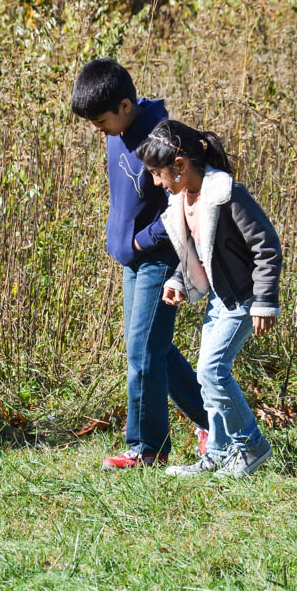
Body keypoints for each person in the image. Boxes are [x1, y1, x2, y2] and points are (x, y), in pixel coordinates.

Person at [71, 59, 208, 469]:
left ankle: (147, 447)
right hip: (132, 259)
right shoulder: (117, 132)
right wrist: (122, 242)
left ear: (126, 105)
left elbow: (180, 201)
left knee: (142, 350)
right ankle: (214, 421)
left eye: (101, 120)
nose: (98, 129)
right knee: (155, 350)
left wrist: (140, 240)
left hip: (159, 257)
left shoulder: (157, 138)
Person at [135, 119, 282, 477]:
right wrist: (179, 282)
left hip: (244, 299)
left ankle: (250, 446)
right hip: (220, 299)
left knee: (212, 371)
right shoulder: (183, 201)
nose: (157, 182)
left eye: (158, 174)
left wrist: (264, 301)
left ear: (180, 167)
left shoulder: (225, 193)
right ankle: (217, 452)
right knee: (206, 377)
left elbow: (267, 246)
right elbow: (196, 254)